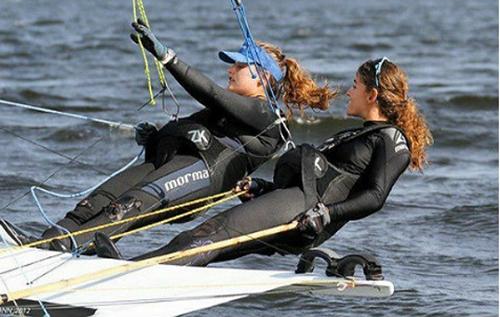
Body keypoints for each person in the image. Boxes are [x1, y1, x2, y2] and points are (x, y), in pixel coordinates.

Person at [26, 19, 336, 252]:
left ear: (262, 76)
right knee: (97, 201)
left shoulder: (267, 115)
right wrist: (154, 138)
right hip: (175, 166)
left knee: (122, 209)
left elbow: (210, 93)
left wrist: (166, 56)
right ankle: (43, 246)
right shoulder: (228, 111)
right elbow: (191, 129)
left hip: (198, 180)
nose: (230, 70)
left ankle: (62, 251)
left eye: (239, 65)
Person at [94, 57, 433, 265]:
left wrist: (327, 213)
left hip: (306, 213)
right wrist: (262, 187)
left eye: (356, 86)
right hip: (295, 204)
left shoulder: (391, 140)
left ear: (372, 95)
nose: (349, 91)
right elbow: (331, 179)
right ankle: (135, 274)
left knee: (211, 233)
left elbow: (375, 196)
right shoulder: (362, 134)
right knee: (212, 246)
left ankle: (129, 273)